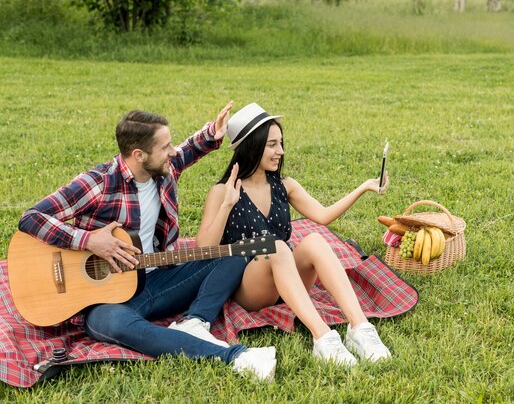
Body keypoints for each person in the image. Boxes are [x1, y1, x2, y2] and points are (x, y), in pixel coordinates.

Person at [17, 102, 276, 381]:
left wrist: (213, 131)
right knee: (115, 324)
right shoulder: (99, 183)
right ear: (139, 155)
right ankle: (235, 357)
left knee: (234, 254)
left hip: (158, 279)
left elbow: (188, 150)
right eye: (165, 147)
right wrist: (88, 241)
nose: (173, 152)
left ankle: (195, 322)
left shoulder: (161, 170)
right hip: (108, 300)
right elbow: (31, 217)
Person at [196, 103, 391, 366]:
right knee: (275, 246)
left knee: (313, 240)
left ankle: (360, 329)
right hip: (251, 286)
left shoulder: (284, 185)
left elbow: (323, 216)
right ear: (252, 146)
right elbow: (203, 248)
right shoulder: (223, 191)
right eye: (272, 145)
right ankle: (322, 337)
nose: (281, 151)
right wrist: (227, 205)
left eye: (281, 143)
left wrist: (364, 187)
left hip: (291, 279)